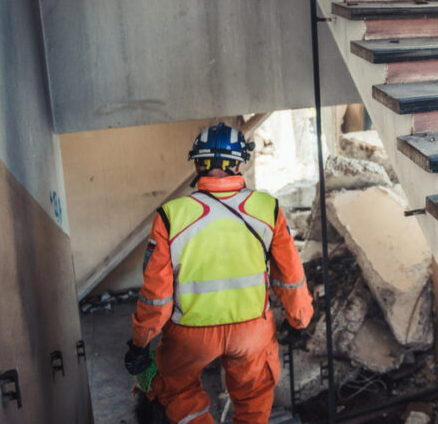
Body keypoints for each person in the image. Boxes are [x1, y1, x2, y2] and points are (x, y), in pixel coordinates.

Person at [124, 122, 314, 424]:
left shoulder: (171, 215)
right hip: (252, 332)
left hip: (189, 333)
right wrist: (299, 318)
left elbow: (157, 296)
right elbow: (290, 275)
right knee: (254, 400)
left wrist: (141, 341)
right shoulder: (268, 208)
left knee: (177, 391)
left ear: (198, 163)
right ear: (239, 163)